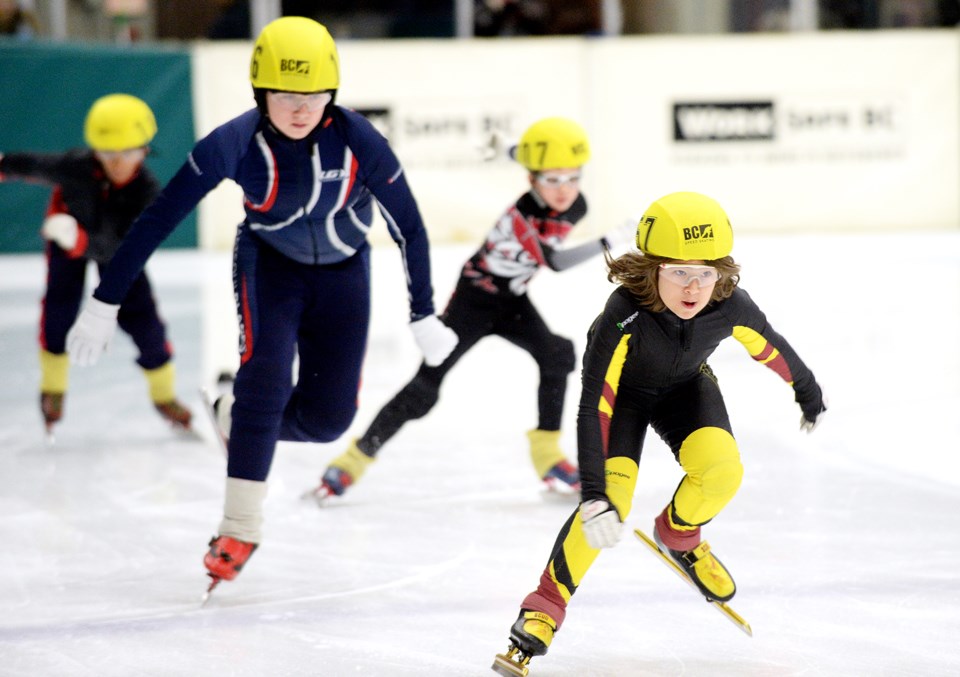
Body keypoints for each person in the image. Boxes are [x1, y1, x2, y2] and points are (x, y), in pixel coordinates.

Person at [64, 16, 457, 593]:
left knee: (328, 422)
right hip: (269, 267)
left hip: (346, 274)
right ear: (259, 92)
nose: (300, 109)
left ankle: (231, 416)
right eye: (284, 95)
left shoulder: (360, 141)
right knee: (267, 382)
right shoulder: (232, 144)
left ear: (332, 94)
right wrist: (104, 302)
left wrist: (423, 311)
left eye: (313, 95)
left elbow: (411, 228)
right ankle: (239, 527)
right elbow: (156, 221)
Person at [492, 191, 827, 675]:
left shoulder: (730, 305)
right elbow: (595, 407)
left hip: (685, 389)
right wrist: (592, 493)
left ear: (723, 273)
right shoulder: (622, 314)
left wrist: (807, 389)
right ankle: (543, 607)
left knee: (722, 470)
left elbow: (769, 346)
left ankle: (680, 534)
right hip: (621, 402)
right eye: (678, 272)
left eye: (705, 273)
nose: (693, 288)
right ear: (652, 269)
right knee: (612, 502)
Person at [315, 117, 634, 500]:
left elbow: (539, 165)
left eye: (572, 178)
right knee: (425, 388)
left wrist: (510, 150)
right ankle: (352, 462)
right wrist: (610, 239)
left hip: (511, 298)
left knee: (557, 354)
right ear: (531, 181)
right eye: (551, 181)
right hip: (474, 299)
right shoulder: (521, 219)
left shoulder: (573, 201)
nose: (564, 190)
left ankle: (547, 456)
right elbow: (557, 263)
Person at [0, 93, 193, 438]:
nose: (117, 163)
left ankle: (165, 396)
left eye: (128, 153)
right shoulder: (77, 167)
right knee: (59, 308)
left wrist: (80, 240)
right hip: (66, 238)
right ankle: (53, 390)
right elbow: (31, 165)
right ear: (94, 151)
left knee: (144, 319)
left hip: (110, 248)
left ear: (145, 150)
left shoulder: (148, 192)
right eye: (107, 154)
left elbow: (122, 249)